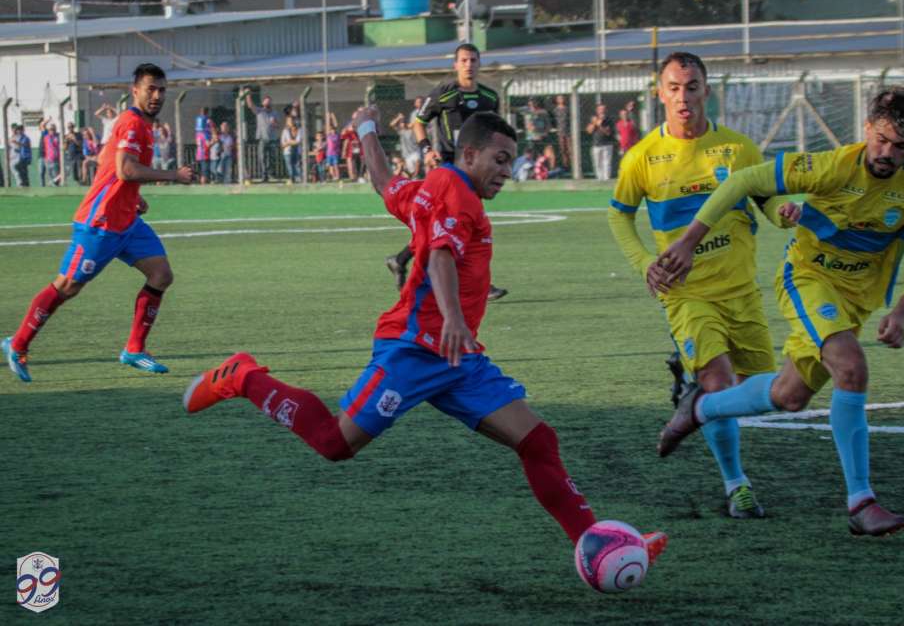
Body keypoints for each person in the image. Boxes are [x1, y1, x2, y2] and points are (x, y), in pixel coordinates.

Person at [181, 108, 668, 573]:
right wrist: (454, 317)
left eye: (511, 162)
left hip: (457, 358)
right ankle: (244, 377)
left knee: (538, 441)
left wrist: (367, 128)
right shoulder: (456, 193)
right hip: (414, 350)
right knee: (334, 444)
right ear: (469, 154)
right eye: (500, 160)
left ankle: (597, 542)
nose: (507, 171)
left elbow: (383, 184)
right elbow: (439, 255)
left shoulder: (432, 189)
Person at [653, 84, 904, 537]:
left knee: (790, 396)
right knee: (851, 366)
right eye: (880, 140)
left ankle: (702, 407)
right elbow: (743, 182)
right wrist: (688, 241)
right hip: (808, 279)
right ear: (866, 129)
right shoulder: (831, 166)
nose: (887, 152)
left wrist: (903, 309)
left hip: (857, 298)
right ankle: (861, 502)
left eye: (900, 146)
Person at [609, 52, 800, 519]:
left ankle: (691, 401)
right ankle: (737, 486)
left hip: (741, 291)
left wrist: (784, 213)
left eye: (691, 86)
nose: (683, 97)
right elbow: (620, 214)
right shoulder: (642, 158)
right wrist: (643, 263)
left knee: (769, 394)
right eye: (673, 87)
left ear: (706, 91)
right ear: (660, 93)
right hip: (685, 293)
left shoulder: (737, 150)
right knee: (718, 382)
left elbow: (767, 202)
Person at [2, 63, 195, 383]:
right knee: (68, 286)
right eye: (151, 89)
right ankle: (18, 343)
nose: (157, 95)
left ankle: (134, 349)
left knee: (161, 275)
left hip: (127, 221)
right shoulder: (132, 123)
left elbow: (114, 170)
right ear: (135, 91)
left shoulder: (143, 126)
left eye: (162, 89)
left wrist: (133, 198)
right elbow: (125, 170)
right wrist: (174, 175)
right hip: (101, 222)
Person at [387, 43, 508, 301]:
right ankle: (480, 286)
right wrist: (428, 150)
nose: (469, 65)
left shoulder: (490, 97)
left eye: (473, 60)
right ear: (455, 65)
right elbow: (418, 123)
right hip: (450, 168)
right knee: (467, 224)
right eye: (464, 60)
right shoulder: (444, 93)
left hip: (476, 170)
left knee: (446, 224)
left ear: (479, 63)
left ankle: (400, 259)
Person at [245, 92, 280, 182]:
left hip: (272, 138)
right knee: (262, 157)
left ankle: (271, 174)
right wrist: (248, 95)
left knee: (272, 158)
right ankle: (264, 176)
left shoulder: (275, 113)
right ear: (263, 103)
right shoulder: (259, 111)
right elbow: (250, 105)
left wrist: (274, 123)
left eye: (269, 102)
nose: (267, 104)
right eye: (266, 102)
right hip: (262, 138)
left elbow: (278, 126)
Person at [586, 103, 615, 181]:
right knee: (597, 162)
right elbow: (589, 131)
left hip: (607, 144)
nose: (602, 111)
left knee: (606, 162)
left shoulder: (609, 119)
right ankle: (599, 177)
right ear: (597, 110)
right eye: (600, 109)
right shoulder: (593, 119)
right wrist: (595, 123)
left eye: (603, 109)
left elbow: (608, 132)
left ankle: (606, 178)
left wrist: (600, 124)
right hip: (596, 143)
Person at [390, 112, 421, 179]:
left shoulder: (411, 127)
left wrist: (406, 125)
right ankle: (413, 179)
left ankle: (416, 177)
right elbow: (392, 125)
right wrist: (399, 118)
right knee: (411, 173)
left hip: (415, 151)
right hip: (407, 155)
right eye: (400, 122)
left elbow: (414, 125)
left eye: (403, 121)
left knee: (417, 164)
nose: (401, 123)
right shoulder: (400, 130)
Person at [281, 116, 302, 184]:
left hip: (296, 151)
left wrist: (289, 142)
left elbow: (298, 141)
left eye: (292, 120)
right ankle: (291, 179)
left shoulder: (299, 130)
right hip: (287, 151)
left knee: (296, 165)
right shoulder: (285, 131)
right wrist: (289, 142)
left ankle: (298, 178)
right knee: (289, 166)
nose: (291, 122)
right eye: (289, 121)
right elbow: (282, 144)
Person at [553, 94, 571, 171]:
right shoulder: (555, 110)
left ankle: (573, 165)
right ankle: (565, 165)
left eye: (562, 98)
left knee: (570, 149)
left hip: (568, 131)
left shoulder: (567, 109)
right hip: (560, 131)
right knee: (563, 149)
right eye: (559, 98)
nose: (561, 100)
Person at [325, 114, 341, 182]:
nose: (333, 131)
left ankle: (337, 176)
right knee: (330, 166)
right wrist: (328, 118)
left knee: (336, 165)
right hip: (329, 154)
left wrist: (333, 117)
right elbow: (327, 127)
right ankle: (332, 176)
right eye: (331, 130)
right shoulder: (329, 136)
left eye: (334, 130)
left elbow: (336, 125)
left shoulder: (337, 135)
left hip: (335, 153)